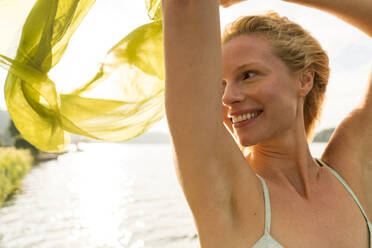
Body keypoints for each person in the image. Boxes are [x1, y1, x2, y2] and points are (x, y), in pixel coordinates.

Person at [162, 0, 372, 247]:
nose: (227, 97)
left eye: (247, 75)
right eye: (220, 85)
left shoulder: (352, 171)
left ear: (304, 80)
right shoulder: (227, 190)